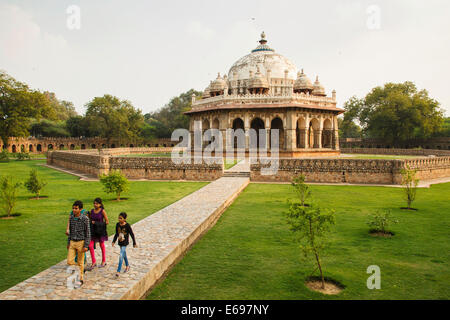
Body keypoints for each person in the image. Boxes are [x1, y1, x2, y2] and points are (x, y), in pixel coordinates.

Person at [67, 200, 91, 287]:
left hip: (81, 242)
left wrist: (86, 245)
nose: (74, 210)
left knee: (80, 262)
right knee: (69, 261)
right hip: (72, 242)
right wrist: (68, 242)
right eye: (73, 208)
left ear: (80, 209)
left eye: (76, 208)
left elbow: (88, 233)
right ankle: (79, 270)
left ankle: (80, 279)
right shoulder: (71, 218)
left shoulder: (85, 219)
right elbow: (71, 231)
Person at [86, 198, 109, 271]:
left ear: (100, 204)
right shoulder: (92, 211)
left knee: (101, 245)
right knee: (90, 245)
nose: (95, 205)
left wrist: (97, 223)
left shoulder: (102, 211)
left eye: (96, 203)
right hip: (93, 231)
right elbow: (90, 219)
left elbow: (107, 222)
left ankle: (103, 261)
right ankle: (94, 261)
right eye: (94, 203)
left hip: (100, 231)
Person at [112, 212, 137, 277]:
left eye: (121, 218)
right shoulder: (117, 224)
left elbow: (132, 234)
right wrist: (113, 241)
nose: (119, 219)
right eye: (119, 218)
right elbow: (116, 234)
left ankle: (118, 271)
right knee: (124, 254)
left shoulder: (127, 225)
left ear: (125, 219)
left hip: (125, 243)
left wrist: (134, 242)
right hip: (120, 242)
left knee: (121, 255)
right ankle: (127, 266)